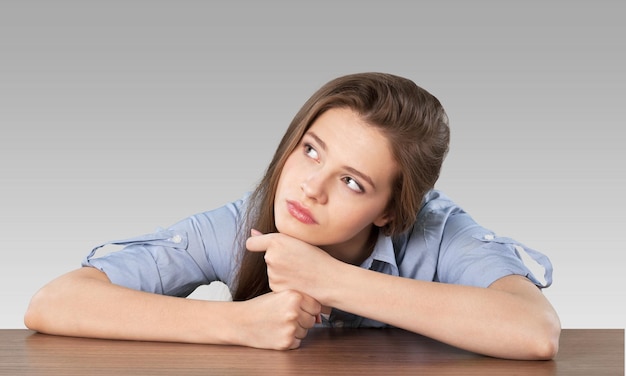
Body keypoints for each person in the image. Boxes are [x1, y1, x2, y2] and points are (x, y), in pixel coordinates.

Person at [24, 72, 561, 360]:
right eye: (310, 150)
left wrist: (333, 281)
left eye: (352, 182)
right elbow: (55, 302)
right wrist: (236, 325)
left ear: (393, 211)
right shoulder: (243, 224)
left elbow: (534, 331)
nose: (311, 186)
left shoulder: (439, 232)